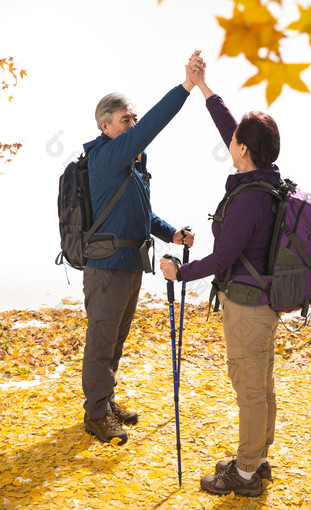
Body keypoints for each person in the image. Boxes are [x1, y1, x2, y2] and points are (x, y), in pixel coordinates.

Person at [160, 52, 280, 497]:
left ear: (243, 150)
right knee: (261, 383)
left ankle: (245, 473)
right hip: (264, 302)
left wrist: (179, 271)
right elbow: (231, 126)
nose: (230, 141)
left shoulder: (248, 199)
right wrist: (203, 86)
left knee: (249, 389)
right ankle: (258, 457)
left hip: (247, 306)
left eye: (236, 141)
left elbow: (222, 258)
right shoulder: (267, 179)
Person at [82, 54, 196, 446]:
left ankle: (105, 400)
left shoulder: (132, 163)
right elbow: (151, 126)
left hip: (130, 265)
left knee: (115, 341)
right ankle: (95, 415)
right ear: (106, 125)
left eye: (133, 118)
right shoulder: (105, 155)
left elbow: (141, 213)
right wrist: (186, 87)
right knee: (101, 341)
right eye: (126, 120)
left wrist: (172, 234)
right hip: (107, 267)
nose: (133, 124)